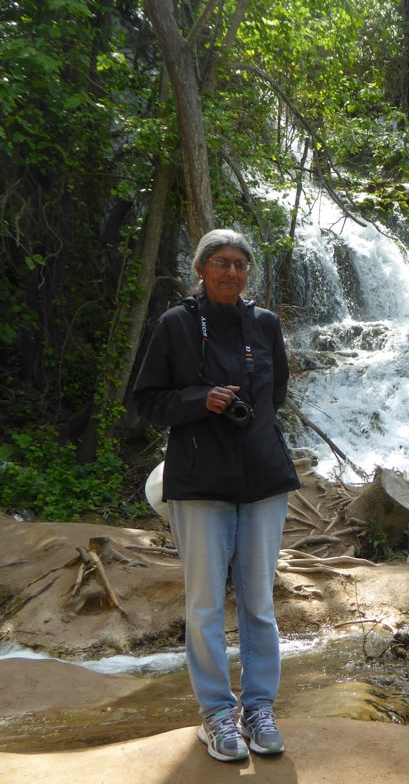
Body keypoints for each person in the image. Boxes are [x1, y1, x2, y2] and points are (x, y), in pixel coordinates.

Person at [133, 229, 300, 762]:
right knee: (205, 602)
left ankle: (259, 707)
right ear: (201, 270)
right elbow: (148, 400)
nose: (231, 272)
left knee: (259, 602)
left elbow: (277, 393)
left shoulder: (266, 325)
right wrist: (199, 400)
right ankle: (215, 714)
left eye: (240, 264)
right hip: (200, 481)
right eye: (221, 263)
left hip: (262, 479)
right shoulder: (177, 325)